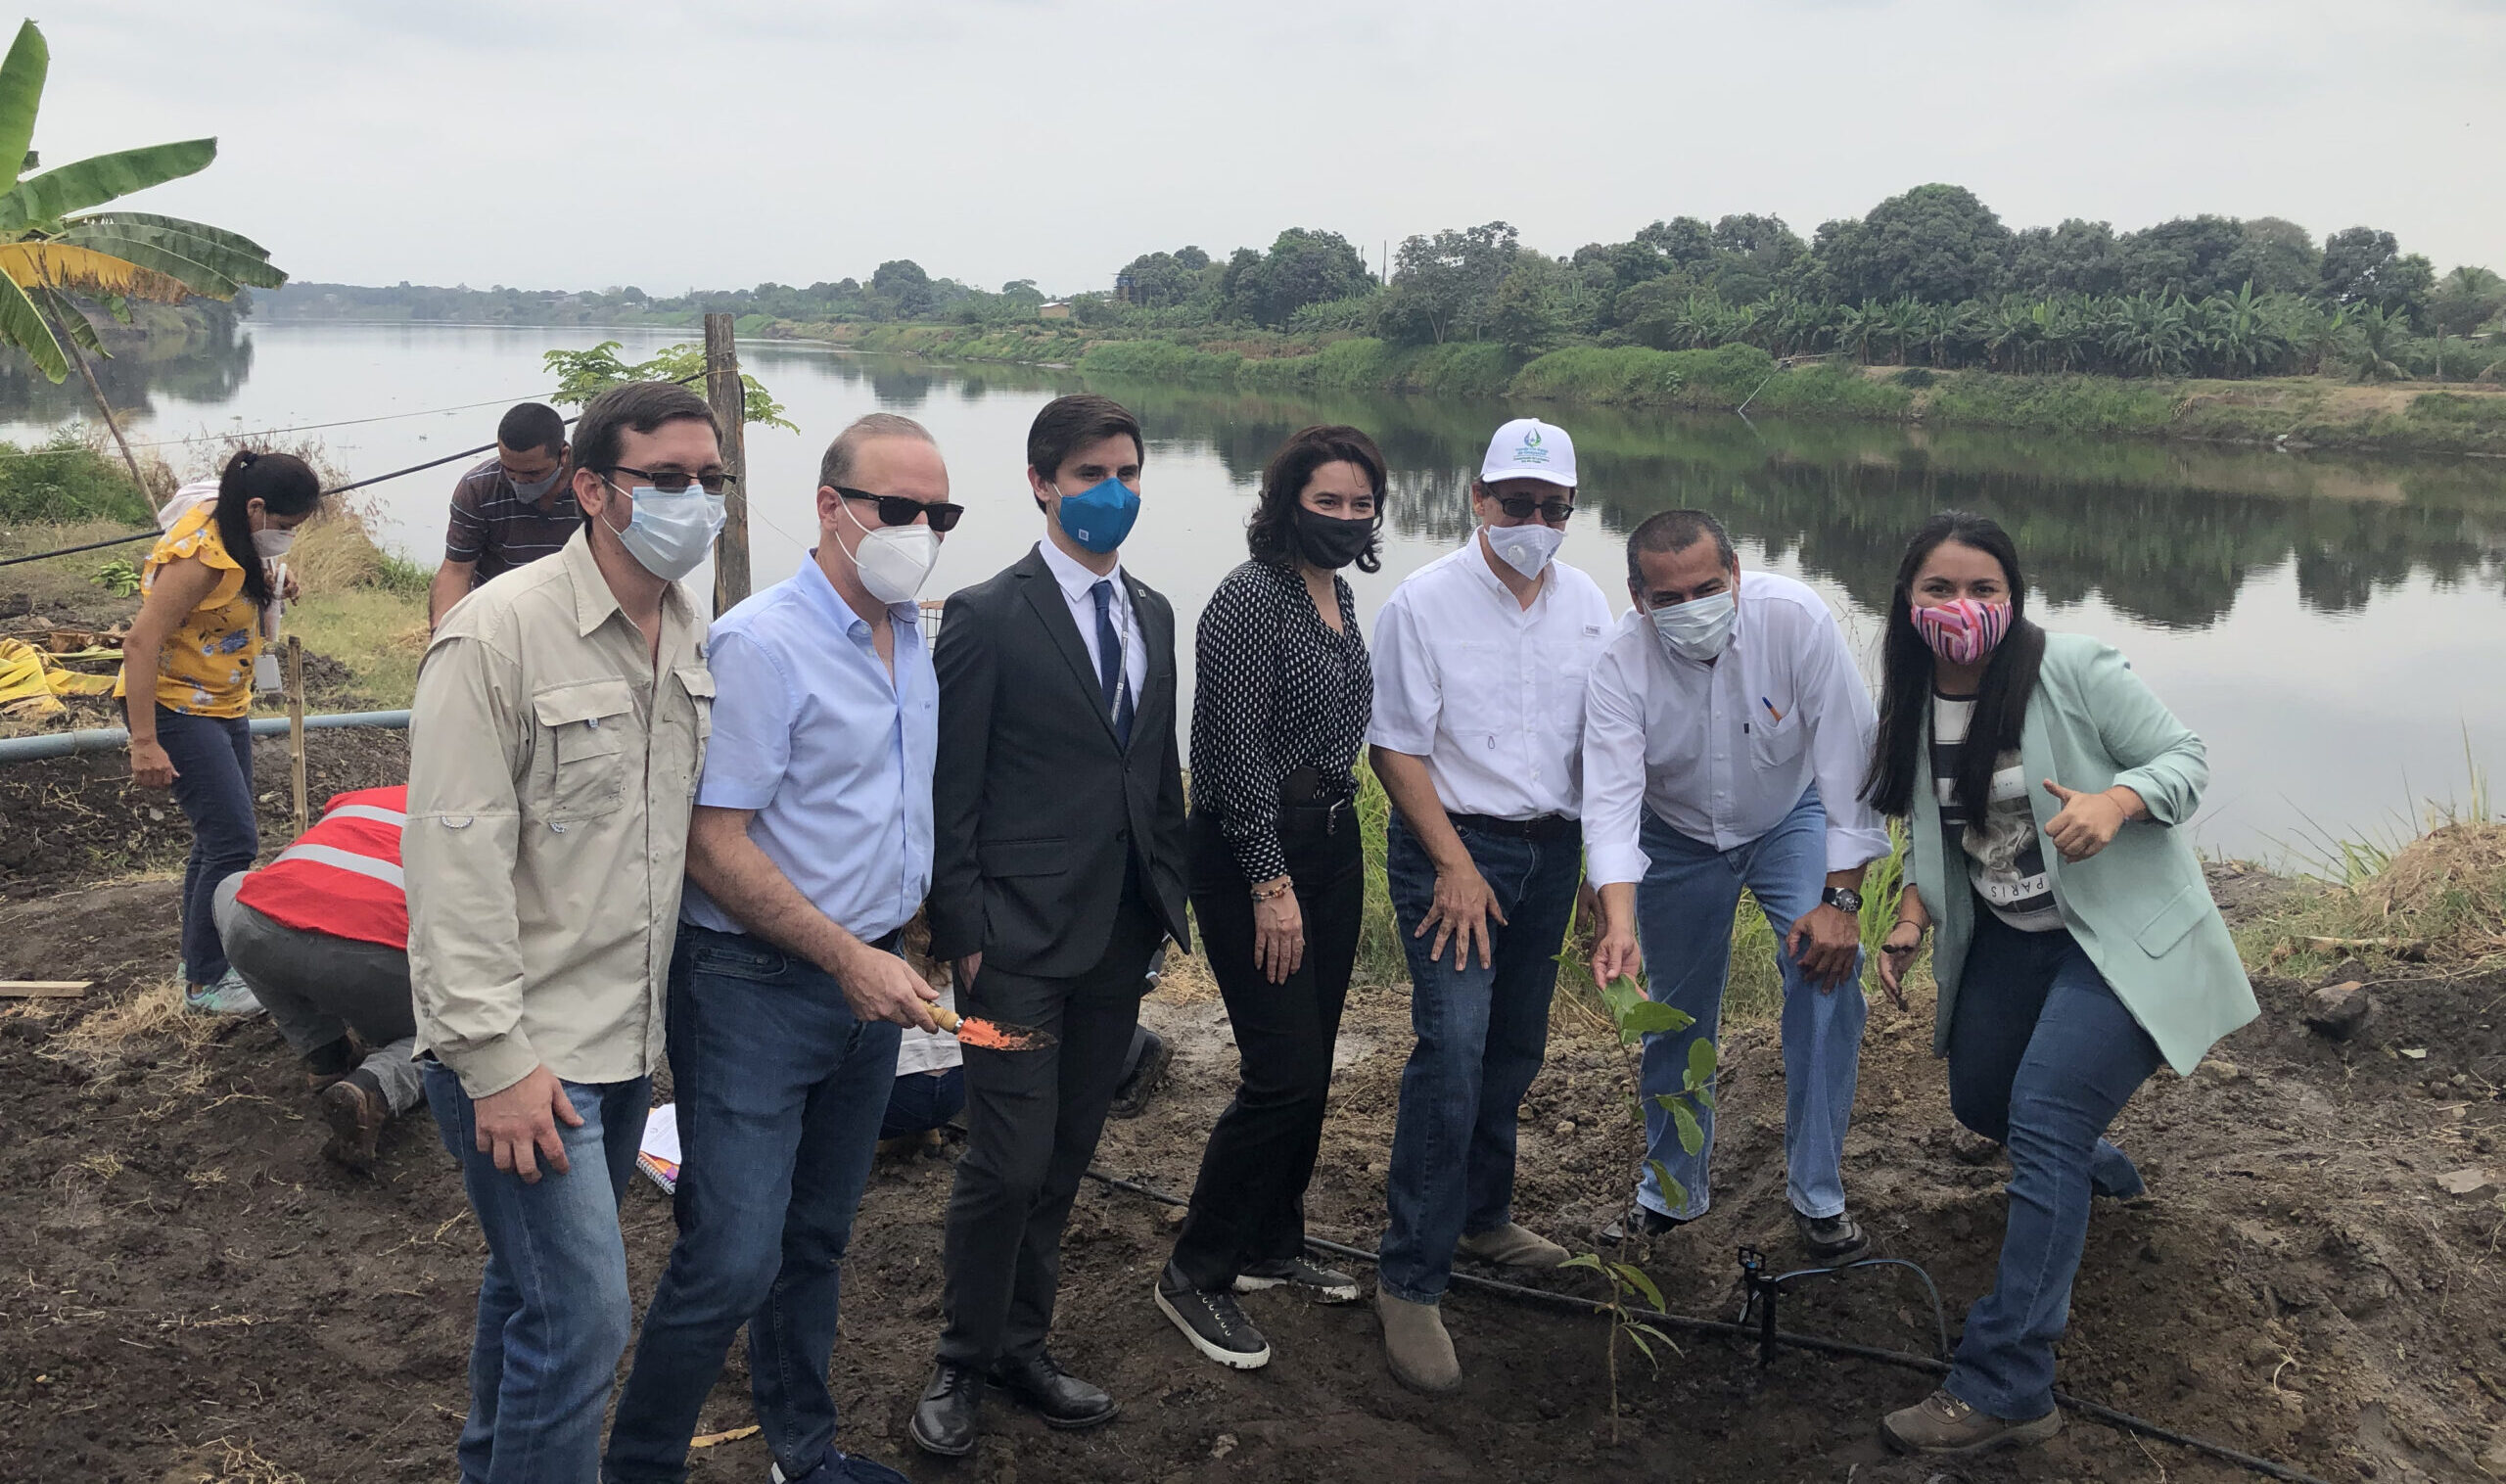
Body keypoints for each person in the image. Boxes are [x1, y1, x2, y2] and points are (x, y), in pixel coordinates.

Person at [1861, 512, 2257, 1456]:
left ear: (2015, 596)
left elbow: (2186, 762)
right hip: (2011, 940)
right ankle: (2094, 1170)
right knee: (1982, 1097)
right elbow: (1934, 828)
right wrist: (1914, 917)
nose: (1962, 608)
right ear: (1909, 603)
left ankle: (2008, 1384)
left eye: (1983, 590)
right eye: (1940, 590)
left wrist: (2119, 801)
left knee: (2041, 1115)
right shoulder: (1913, 696)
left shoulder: (2073, 668)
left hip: (2114, 940)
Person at [605, 412, 954, 1484]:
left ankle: (804, 1452)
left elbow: (888, 815)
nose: (919, 530)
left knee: (817, 1239)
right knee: (729, 1254)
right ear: (831, 507)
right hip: (755, 985)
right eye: (897, 509)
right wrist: (847, 955)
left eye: (938, 514)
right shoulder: (761, 643)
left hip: (870, 985)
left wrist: (903, 944)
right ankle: (640, 1465)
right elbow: (714, 845)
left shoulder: (911, 640)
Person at [406, 381, 722, 1484]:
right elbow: (453, 862)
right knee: (585, 1319)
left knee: (529, 1292)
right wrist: (494, 1062)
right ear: (591, 488)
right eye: (667, 480)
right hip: (525, 1050)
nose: (698, 501)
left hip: (625, 1039)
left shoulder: (685, 622)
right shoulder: (495, 634)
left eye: (711, 480)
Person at [915, 394, 1190, 1458]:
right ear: (1041, 484)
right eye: (1088, 475)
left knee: (1070, 1149)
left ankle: (1022, 1347)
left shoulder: (1155, 611)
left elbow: (1151, 767)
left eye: (1126, 470)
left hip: (1116, 938)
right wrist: (962, 930)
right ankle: (958, 1359)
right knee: (1005, 1158)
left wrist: (1164, 897)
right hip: (1011, 948)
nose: (1110, 492)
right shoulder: (988, 613)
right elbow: (954, 785)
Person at [1364, 417, 1612, 1394]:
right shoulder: (1422, 603)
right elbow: (1395, 747)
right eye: (1518, 503)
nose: (1535, 523)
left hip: (1549, 854)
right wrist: (1455, 863)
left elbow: (1599, 747)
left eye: (1555, 508)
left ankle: (1482, 1215)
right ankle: (1410, 1277)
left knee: (1514, 1044)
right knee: (1453, 1049)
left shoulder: (1589, 603)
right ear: (1477, 498)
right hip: (1450, 853)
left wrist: (1598, 873)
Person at [1583, 511, 1889, 1259]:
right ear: (1637, 597)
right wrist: (1615, 922)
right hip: (1675, 835)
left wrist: (1841, 902)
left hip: (1789, 816)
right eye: (1670, 597)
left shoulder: (1796, 622)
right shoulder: (1618, 664)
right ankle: (1671, 1189)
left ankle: (1817, 1191)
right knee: (1674, 1012)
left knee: (1825, 978)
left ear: (1737, 575)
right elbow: (1612, 804)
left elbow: (1851, 762)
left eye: (1708, 588)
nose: (1692, 608)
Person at [1155, 425, 1384, 1370]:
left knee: (1316, 1058)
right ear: (1286, 502)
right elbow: (1227, 754)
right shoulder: (1249, 602)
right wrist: (1267, 881)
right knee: (1281, 1071)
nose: (1343, 517)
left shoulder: (1340, 594)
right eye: (1325, 501)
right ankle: (1194, 1271)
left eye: (1359, 504)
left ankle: (1271, 1244)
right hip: (1258, 854)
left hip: (1332, 841)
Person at [118, 448, 321, 1016]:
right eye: (283, 528)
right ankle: (208, 980)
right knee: (234, 840)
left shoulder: (233, 523)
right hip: (176, 707)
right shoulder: (202, 558)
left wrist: (276, 576)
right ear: (255, 508)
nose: (286, 538)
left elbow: (239, 577)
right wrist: (144, 741)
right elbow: (140, 641)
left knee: (217, 840)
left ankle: (197, 967)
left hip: (224, 700)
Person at [209, 784, 421, 1169]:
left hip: (259, 928)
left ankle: (323, 1050)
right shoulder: (469, 814)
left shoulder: (366, 797)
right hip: (369, 957)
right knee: (445, 1035)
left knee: (230, 887)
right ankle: (372, 1088)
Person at [429, 402, 576, 629]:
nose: (519, 480)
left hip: (572, 616)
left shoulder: (596, 487)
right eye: (509, 469)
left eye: (533, 473)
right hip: (498, 618)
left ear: (563, 455)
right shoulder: (478, 488)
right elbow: (456, 571)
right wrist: (442, 635)